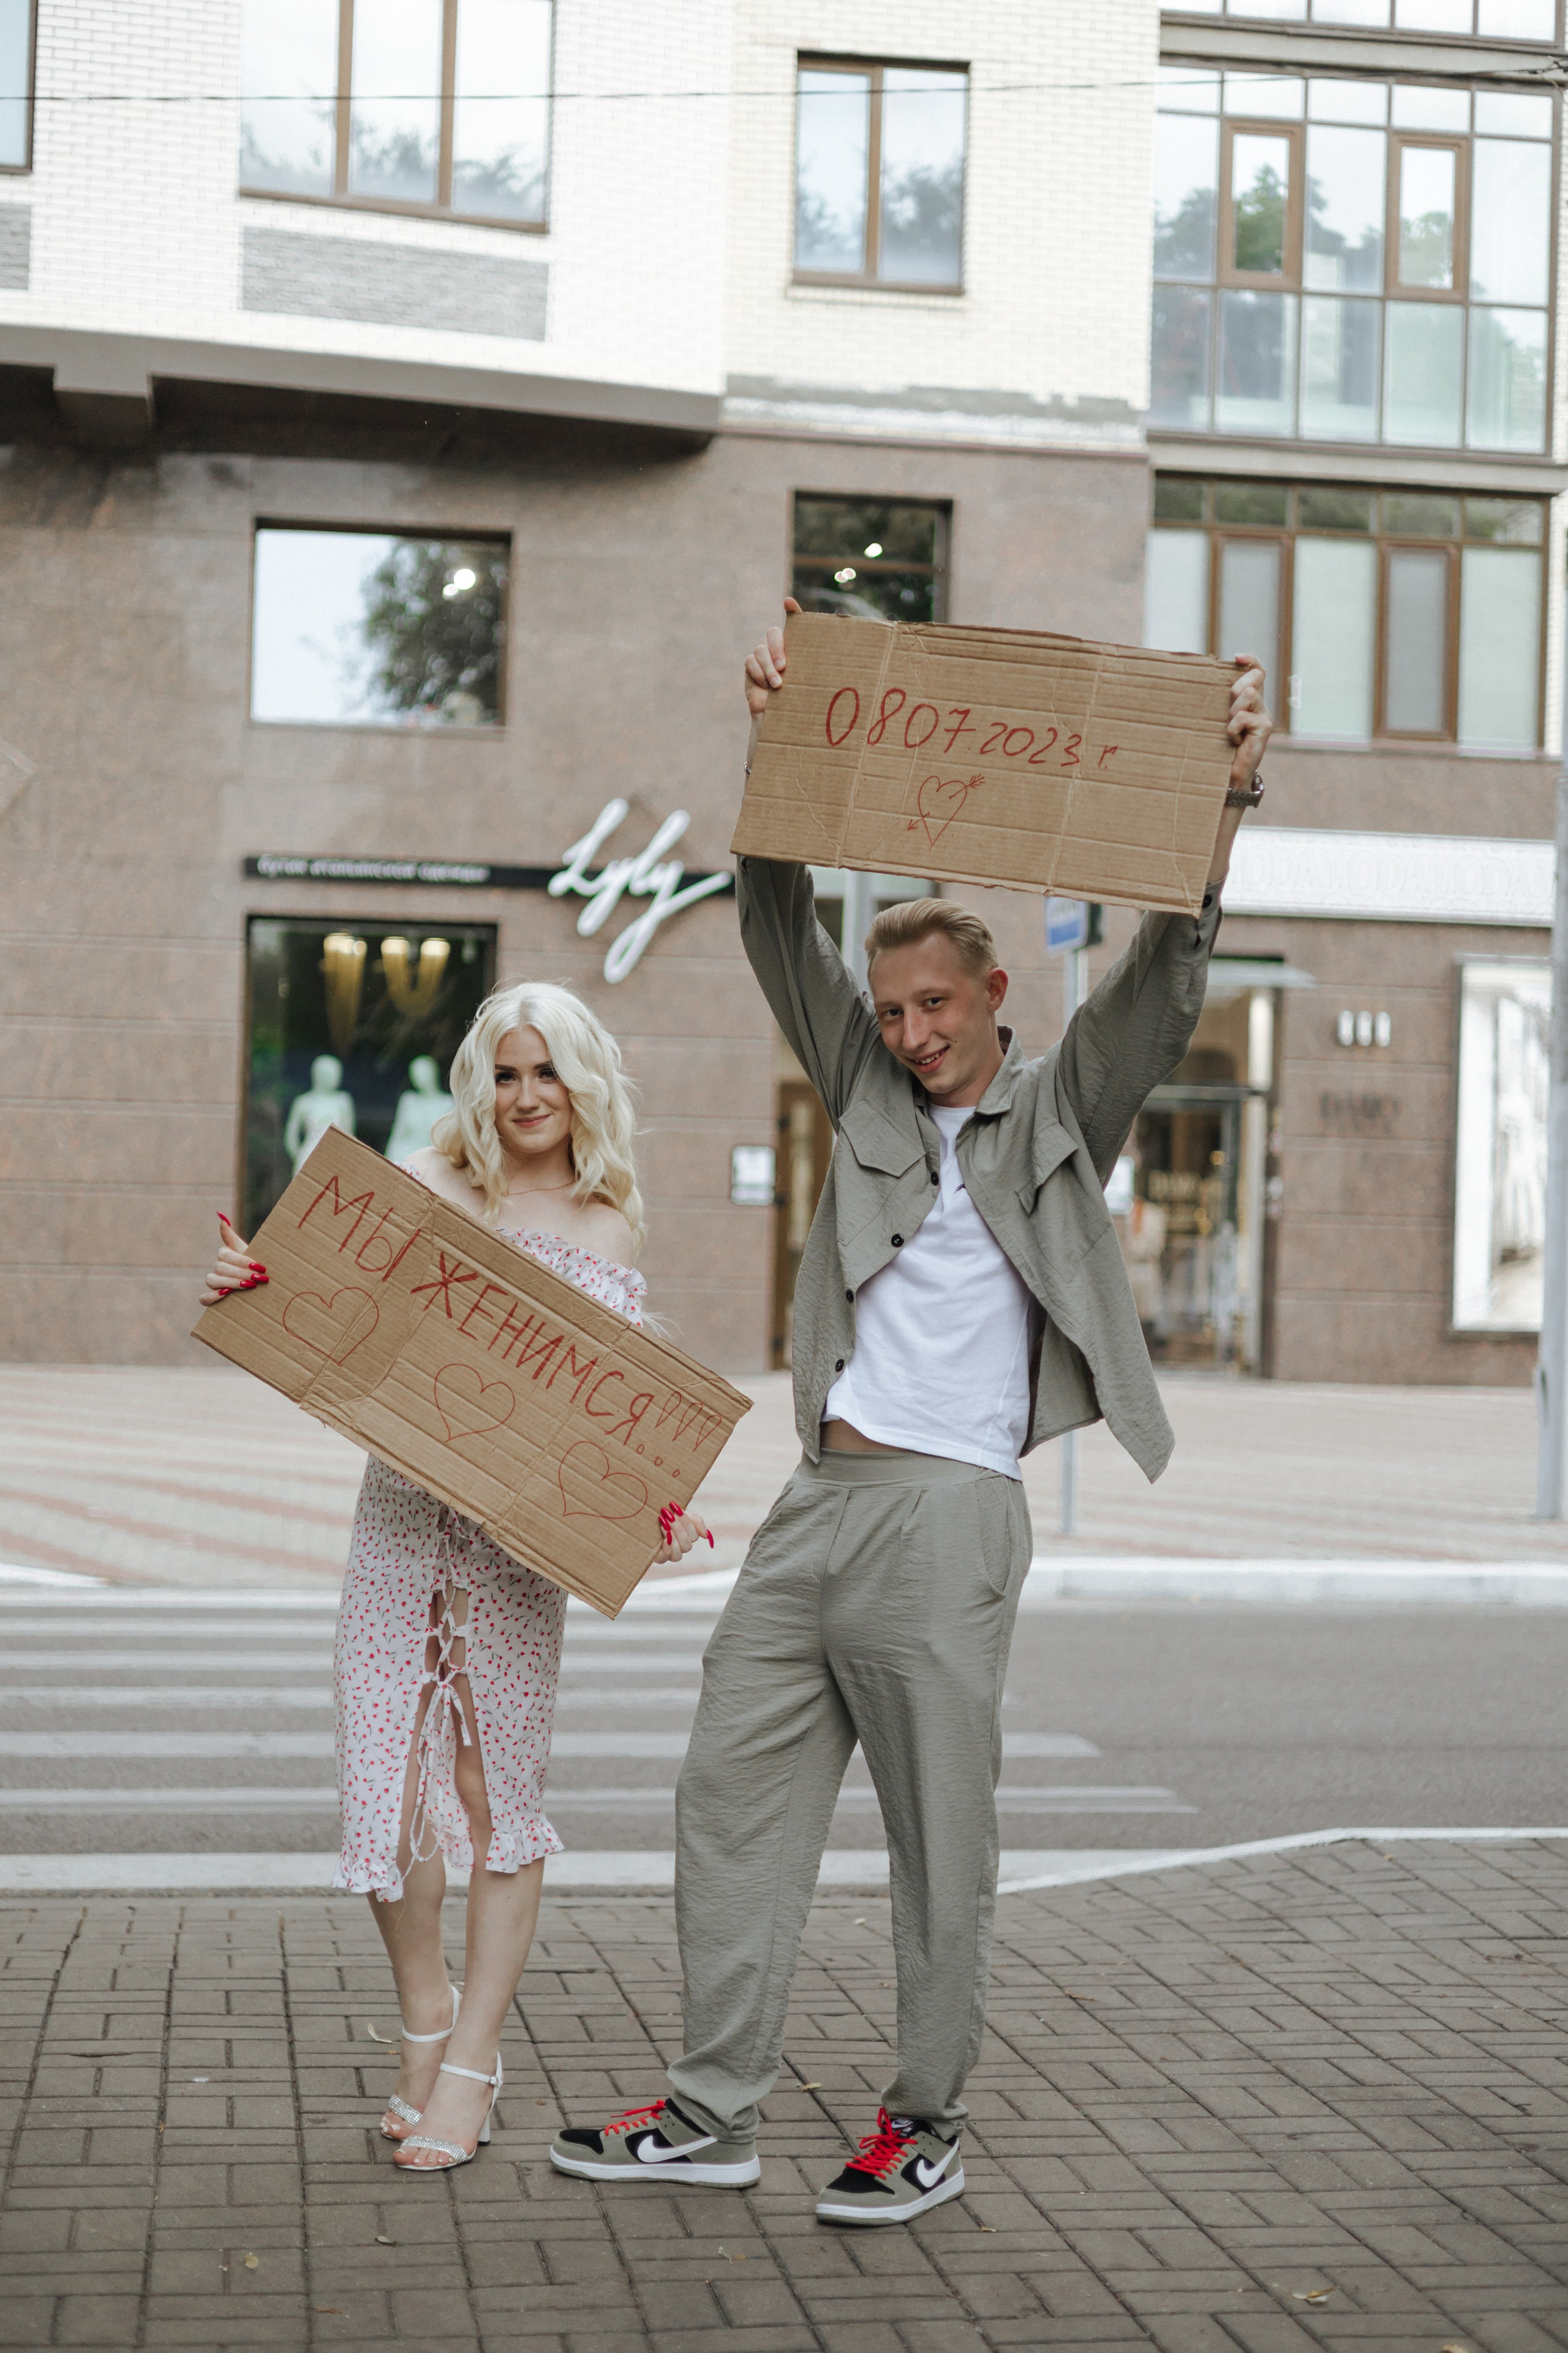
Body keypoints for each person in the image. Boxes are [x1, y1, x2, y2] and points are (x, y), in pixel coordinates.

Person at [551, 608, 1272, 2224]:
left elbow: (1167, 976)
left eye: (934, 1007)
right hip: (818, 1503)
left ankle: (923, 2116)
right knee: (725, 1796)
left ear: (993, 993)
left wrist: (1223, 799)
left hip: (951, 1516)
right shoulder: (864, 1082)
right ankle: (714, 2105)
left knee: (942, 1842)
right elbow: (770, 917)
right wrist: (776, 745)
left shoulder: (1059, 1108)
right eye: (890, 1012)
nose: (909, 1034)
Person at [202, 981, 710, 2173]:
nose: (528, 1096)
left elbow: (610, 1405)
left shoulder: (605, 1221)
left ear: (583, 1084)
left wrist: (658, 1505)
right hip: (399, 1520)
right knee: (385, 1790)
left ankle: (470, 2063)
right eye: (508, 1072)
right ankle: (424, 2011)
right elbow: (327, 1319)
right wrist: (253, 1287)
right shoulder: (423, 1189)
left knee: (488, 1798)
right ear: (478, 1082)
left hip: (517, 1551)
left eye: (549, 1073)